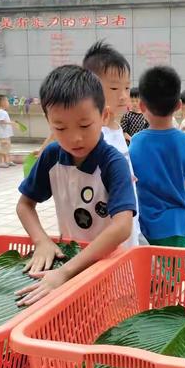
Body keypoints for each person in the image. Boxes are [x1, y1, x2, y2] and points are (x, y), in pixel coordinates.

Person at [15, 65, 136, 306]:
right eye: (60, 128)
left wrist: (65, 272)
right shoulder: (52, 156)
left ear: (104, 116)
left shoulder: (113, 163)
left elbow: (122, 227)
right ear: (49, 122)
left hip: (112, 267)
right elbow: (25, 205)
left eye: (84, 125)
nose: (74, 138)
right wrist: (41, 241)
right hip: (73, 261)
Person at [129, 66, 185, 247]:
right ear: (178, 105)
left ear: (142, 105)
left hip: (147, 224)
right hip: (179, 224)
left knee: (148, 274)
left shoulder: (135, 142)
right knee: (173, 275)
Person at [82, 40, 142, 247]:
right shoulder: (92, 133)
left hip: (127, 218)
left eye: (127, 87)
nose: (124, 95)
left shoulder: (116, 127)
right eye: (115, 88)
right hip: (105, 224)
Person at [0, 94, 17, 168]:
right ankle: (1, 162)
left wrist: (11, 122)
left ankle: (6, 161)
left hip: (6, 134)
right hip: (3, 134)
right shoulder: (1, 112)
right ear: (2, 102)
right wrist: (11, 123)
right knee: (3, 147)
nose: (8, 103)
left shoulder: (3, 112)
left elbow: (4, 121)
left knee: (6, 147)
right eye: (7, 101)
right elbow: (1, 122)